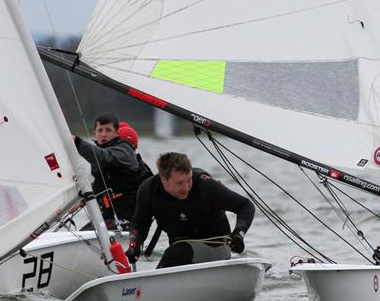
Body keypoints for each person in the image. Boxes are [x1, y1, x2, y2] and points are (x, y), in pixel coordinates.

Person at [125, 152, 254, 269]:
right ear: (164, 179)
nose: (186, 187)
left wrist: (239, 234)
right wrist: (134, 245)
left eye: (189, 180)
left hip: (215, 246)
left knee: (175, 254)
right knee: (177, 252)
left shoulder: (204, 184)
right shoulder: (148, 190)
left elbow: (245, 205)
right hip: (180, 248)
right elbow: (139, 223)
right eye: (180, 183)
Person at [73, 113, 149, 228]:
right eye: (100, 130)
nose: (103, 134)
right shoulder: (103, 152)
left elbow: (102, 157)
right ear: (95, 134)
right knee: (81, 233)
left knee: (85, 235)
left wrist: (77, 141)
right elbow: (101, 185)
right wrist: (82, 200)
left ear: (117, 134)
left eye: (108, 130)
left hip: (126, 217)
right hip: (110, 215)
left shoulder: (123, 151)